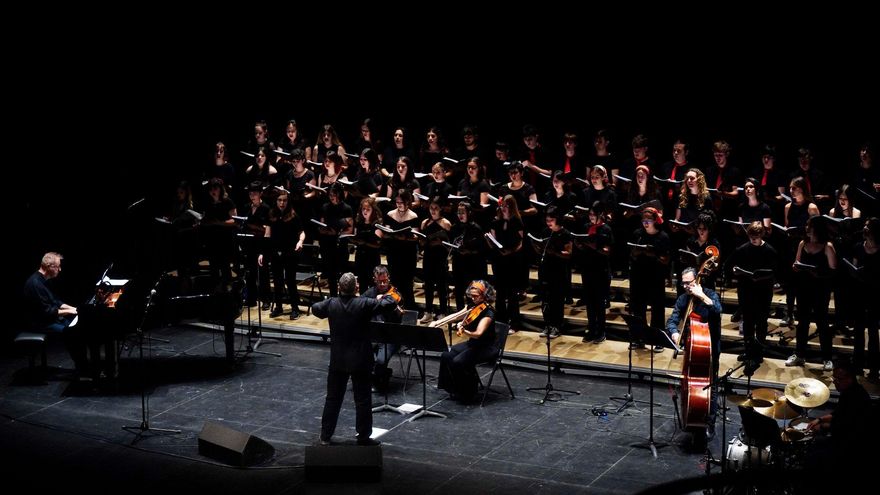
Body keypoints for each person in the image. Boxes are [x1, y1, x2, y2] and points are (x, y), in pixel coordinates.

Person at [311, 272, 395, 446]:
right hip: (360, 360)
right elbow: (390, 303)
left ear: (340, 287)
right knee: (363, 400)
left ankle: (325, 436)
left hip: (338, 360)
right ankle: (363, 436)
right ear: (356, 288)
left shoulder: (332, 304)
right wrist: (381, 296)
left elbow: (315, 308)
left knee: (333, 399)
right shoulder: (364, 304)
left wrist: (331, 301)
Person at [666, 266, 723, 438]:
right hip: (692, 347)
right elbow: (672, 320)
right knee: (690, 382)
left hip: (710, 347)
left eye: (689, 283)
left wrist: (702, 296)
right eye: (683, 284)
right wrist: (675, 332)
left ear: (697, 281)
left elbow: (718, 311)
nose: (686, 287)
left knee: (710, 384)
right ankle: (692, 412)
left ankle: (710, 422)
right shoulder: (683, 299)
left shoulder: (710, 294)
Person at [804, 358, 874, 481]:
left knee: (814, 454)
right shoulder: (849, 391)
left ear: (849, 379)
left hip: (853, 445)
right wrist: (819, 420)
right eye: (834, 378)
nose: (835, 382)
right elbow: (838, 414)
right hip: (845, 435)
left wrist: (820, 428)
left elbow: (843, 426)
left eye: (838, 379)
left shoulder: (856, 397)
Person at [22, 252, 87, 377]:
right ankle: (83, 369)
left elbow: (56, 301)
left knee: (75, 330)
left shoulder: (43, 280)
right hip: (39, 323)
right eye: (58, 266)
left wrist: (75, 308)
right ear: (48, 266)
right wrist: (71, 312)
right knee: (72, 334)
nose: (60, 269)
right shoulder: (35, 284)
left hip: (47, 319)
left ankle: (83, 366)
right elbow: (47, 312)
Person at [433, 280, 497, 403]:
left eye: (476, 296)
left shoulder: (489, 312)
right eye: (471, 295)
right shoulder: (472, 307)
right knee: (446, 355)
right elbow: (456, 316)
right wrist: (438, 323)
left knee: (459, 361)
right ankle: (452, 388)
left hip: (486, 347)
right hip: (473, 345)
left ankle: (468, 393)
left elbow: (478, 334)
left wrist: (464, 330)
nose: (472, 298)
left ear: (484, 295)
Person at [362, 265, 404, 392]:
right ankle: (379, 374)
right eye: (379, 281)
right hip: (374, 335)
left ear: (388, 279)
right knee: (360, 352)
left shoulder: (395, 294)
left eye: (385, 281)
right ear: (374, 280)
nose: (382, 284)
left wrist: (375, 301)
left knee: (380, 360)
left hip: (391, 337)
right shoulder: (371, 292)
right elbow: (359, 303)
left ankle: (380, 375)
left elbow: (388, 303)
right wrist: (375, 299)